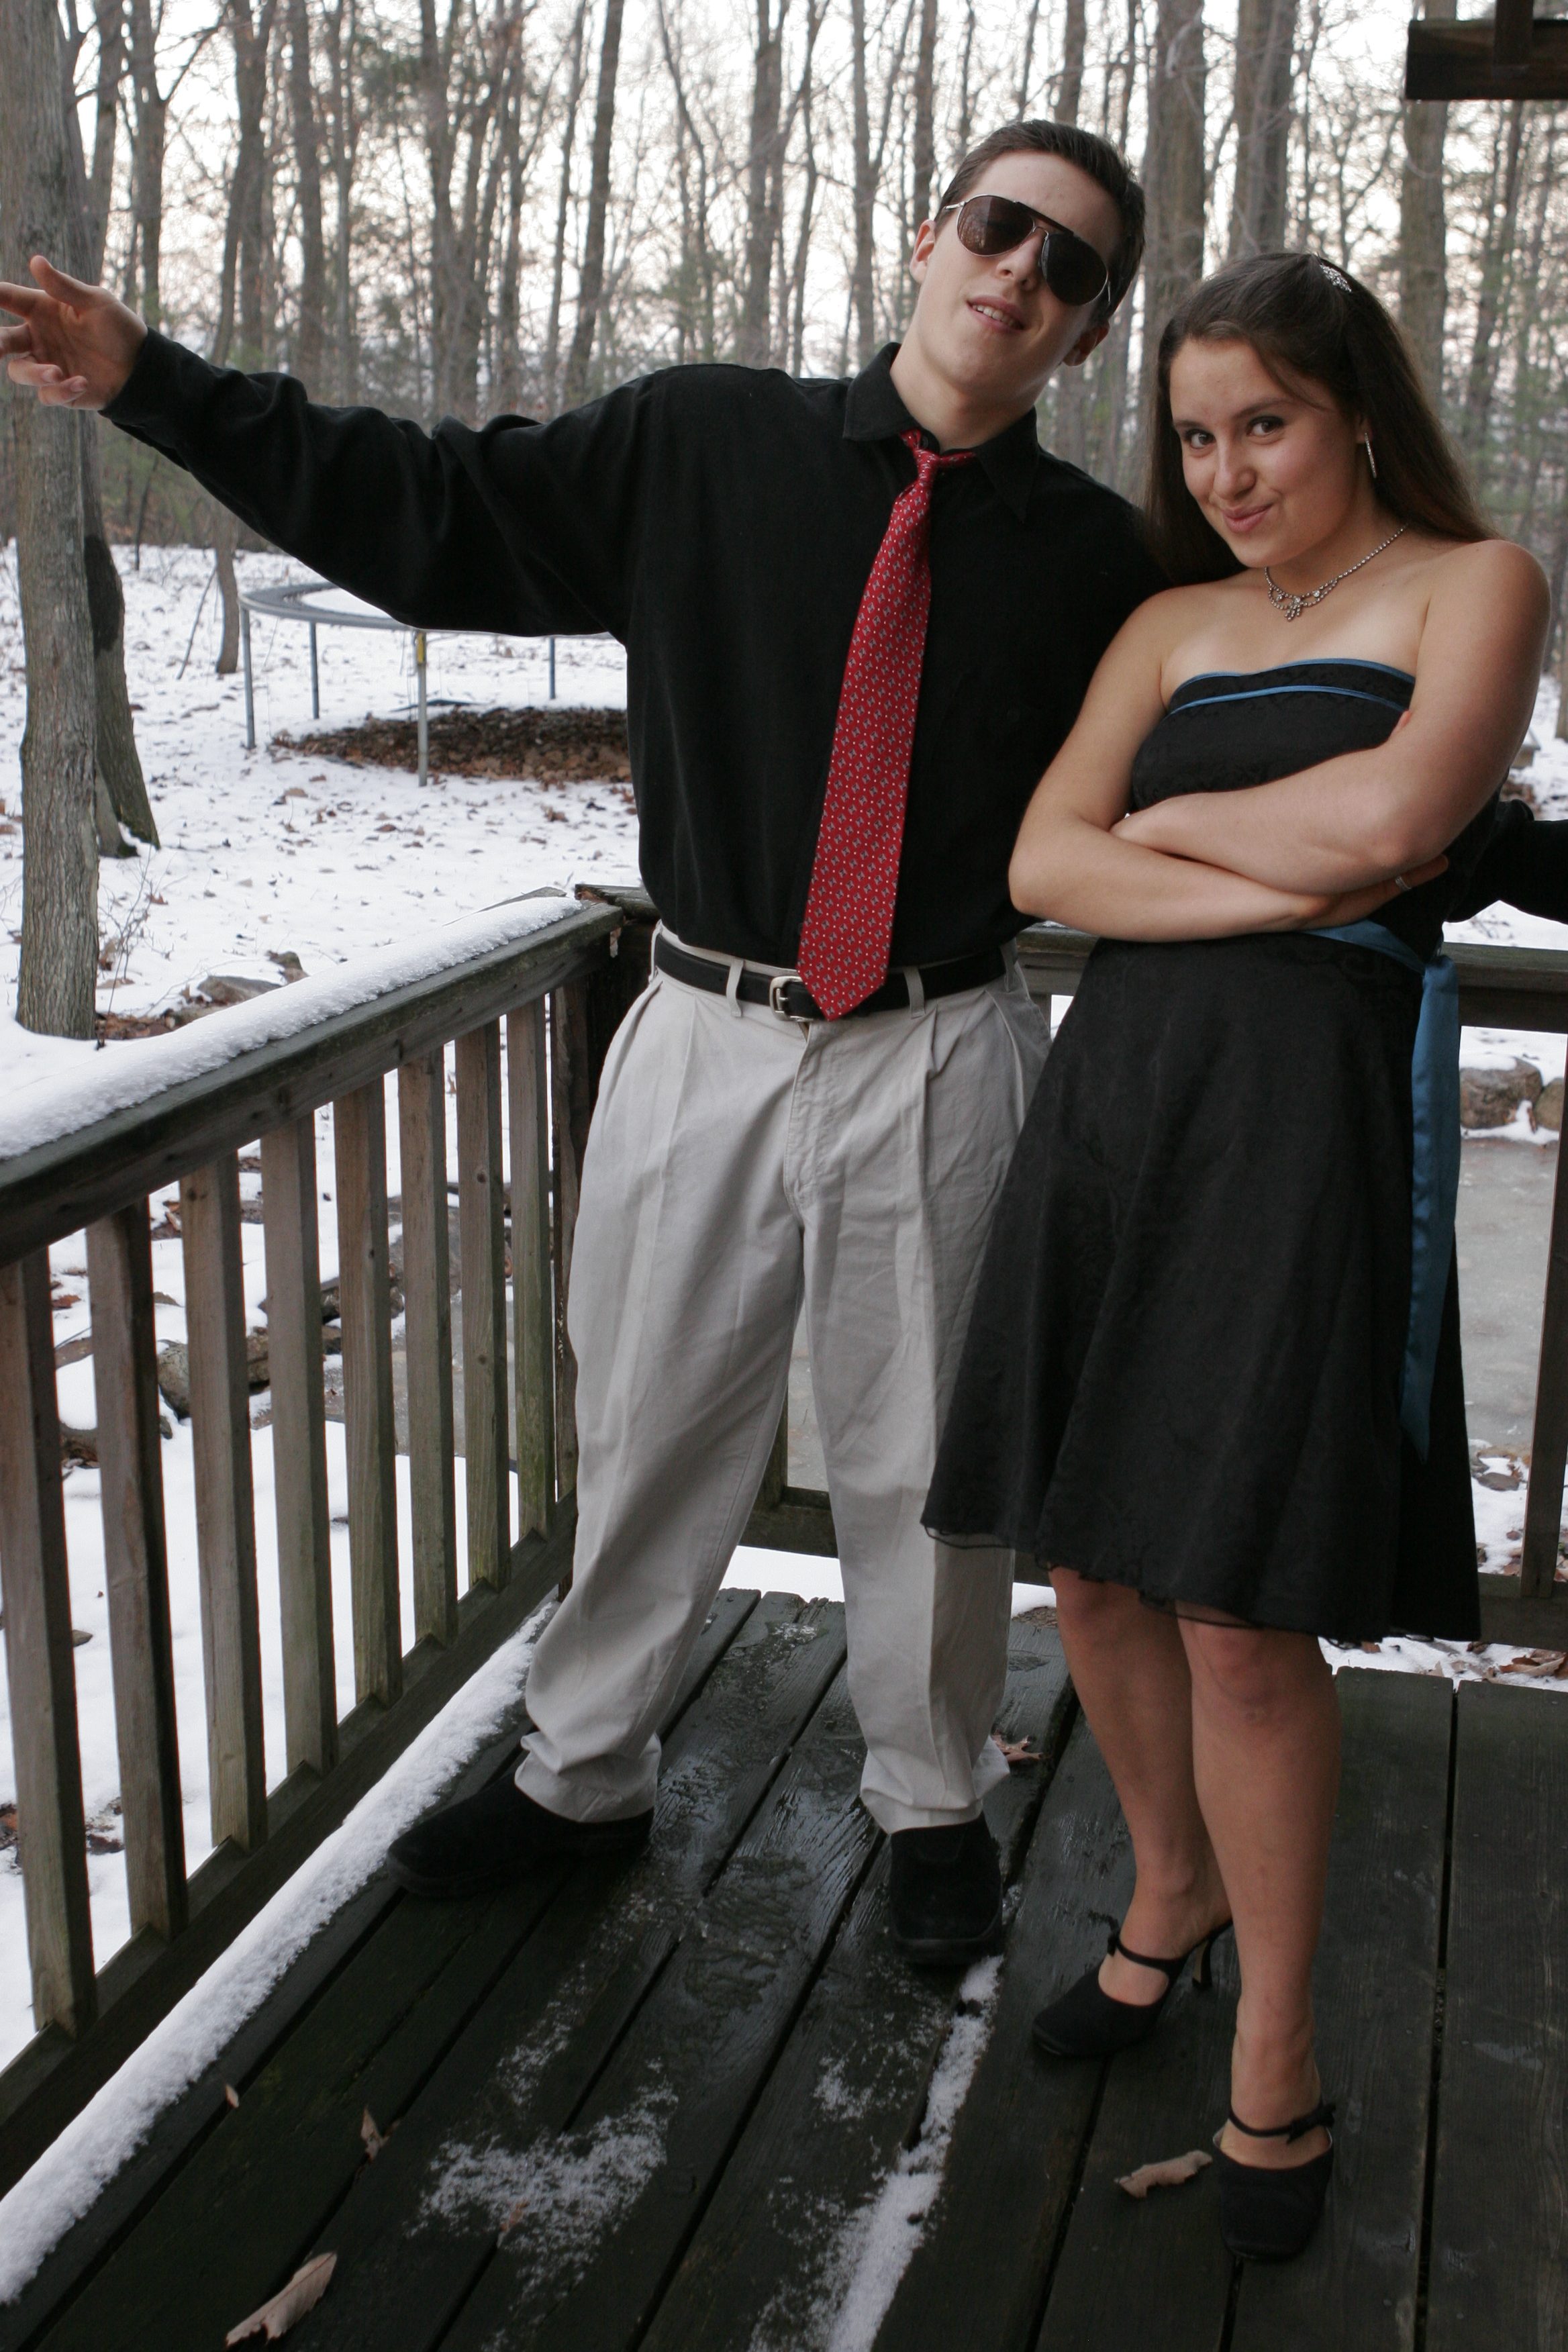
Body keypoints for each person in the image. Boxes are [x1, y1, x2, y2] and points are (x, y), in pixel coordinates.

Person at [2, 122, 1170, 1965]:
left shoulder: (1102, 564)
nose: (1022, 270)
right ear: (929, 233)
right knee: (646, 1420)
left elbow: (1229, 749)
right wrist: (159, 385)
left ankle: (933, 1795)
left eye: (1072, 263)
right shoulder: (702, 446)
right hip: (705, 1023)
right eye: (1000, 225)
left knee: (930, 1462)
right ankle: (583, 1770)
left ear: (1091, 329)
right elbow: (424, 506)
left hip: (941, 1048)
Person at [924, 251, 1549, 2257]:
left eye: (1264, 424)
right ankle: (1168, 1887)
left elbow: (1403, 823)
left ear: (1357, 410)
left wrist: (1184, 838)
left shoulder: (1477, 583)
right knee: (1093, 1559)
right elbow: (1045, 861)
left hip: (1306, 1121)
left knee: (1235, 1607)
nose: (1227, 474)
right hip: (1123, 1104)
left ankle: (1277, 2047)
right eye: (1195, 438)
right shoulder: (1169, 618)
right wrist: (1302, 857)